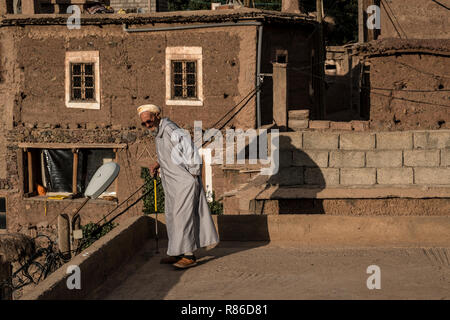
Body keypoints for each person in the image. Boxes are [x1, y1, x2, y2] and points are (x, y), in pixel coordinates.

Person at [137, 104, 219, 269]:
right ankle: (176, 252)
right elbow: (170, 153)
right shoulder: (159, 133)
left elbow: (189, 149)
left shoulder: (170, 129)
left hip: (184, 182)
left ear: (157, 116)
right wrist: (157, 164)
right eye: (144, 123)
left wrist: (194, 173)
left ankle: (189, 256)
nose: (147, 125)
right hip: (172, 183)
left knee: (182, 217)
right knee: (172, 216)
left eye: (149, 121)